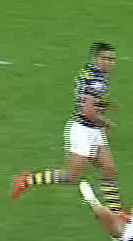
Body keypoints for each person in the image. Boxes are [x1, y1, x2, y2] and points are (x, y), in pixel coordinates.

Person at [12, 42, 123, 212]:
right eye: (105, 58)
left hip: (93, 129)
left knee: (108, 168)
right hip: (83, 130)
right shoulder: (96, 80)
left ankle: (116, 212)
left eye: (111, 59)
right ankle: (26, 180)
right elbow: (88, 111)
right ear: (95, 58)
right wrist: (107, 123)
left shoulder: (91, 71)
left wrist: (102, 105)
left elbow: (87, 99)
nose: (109, 62)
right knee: (72, 176)